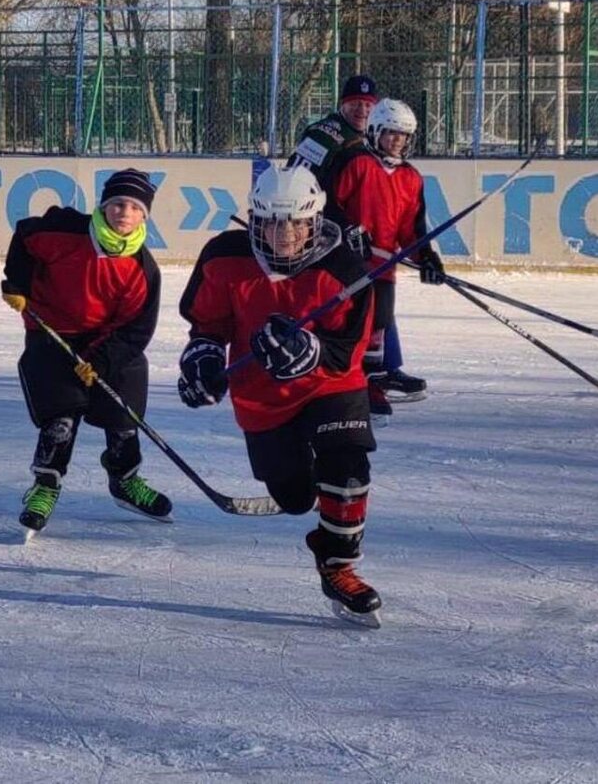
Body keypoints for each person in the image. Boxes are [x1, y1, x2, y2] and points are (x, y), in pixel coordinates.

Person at [177, 163, 382, 625]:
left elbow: (350, 349)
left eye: (296, 221)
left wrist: (311, 352)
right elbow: (208, 323)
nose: (284, 233)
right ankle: (308, 488)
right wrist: (205, 358)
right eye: (271, 221)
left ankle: (339, 566)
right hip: (263, 397)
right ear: (254, 220)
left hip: (331, 385)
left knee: (348, 470)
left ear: (315, 220)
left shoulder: (345, 270)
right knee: (293, 496)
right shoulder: (223, 257)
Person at [1, 168, 172, 537]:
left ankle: (125, 478)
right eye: (117, 203)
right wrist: (16, 282)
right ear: (103, 206)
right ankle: (45, 485)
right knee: (60, 418)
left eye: (134, 207)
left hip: (107, 341)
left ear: (145, 216)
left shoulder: (143, 269)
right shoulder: (62, 230)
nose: (124, 212)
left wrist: (101, 360)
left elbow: (136, 330)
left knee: (124, 411)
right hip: (52, 333)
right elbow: (24, 237)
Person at [332, 98, 445, 421]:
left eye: (404, 135)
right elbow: (330, 206)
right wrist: (348, 229)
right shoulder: (356, 163)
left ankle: (371, 382)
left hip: (383, 268)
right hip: (347, 263)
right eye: (392, 133)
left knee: (378, 326)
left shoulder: (411, 177)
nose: (398, 140)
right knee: (352, 325)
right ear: (376, 131)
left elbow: (412, 228)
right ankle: (352, 385)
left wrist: (426, 257)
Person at [287, 73, 379, 196]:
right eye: (355, 103)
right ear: (342, 105)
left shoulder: (373, 134)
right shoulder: (323, 135)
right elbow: (296, 181)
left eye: (368, 105)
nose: (362, 110)